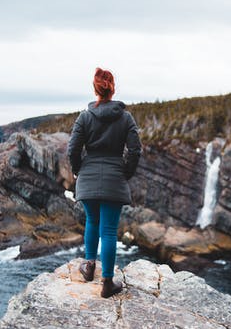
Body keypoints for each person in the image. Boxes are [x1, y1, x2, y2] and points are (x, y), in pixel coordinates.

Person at [67, 67, 142, 298]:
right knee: (109, 230)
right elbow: (135, 150)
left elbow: (73, 150)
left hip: (88, 178)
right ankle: (107, 284)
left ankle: (89, 268)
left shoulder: (85, 116)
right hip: (114, 178)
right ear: (112, 88)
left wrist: (79, 172)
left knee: (92, 220)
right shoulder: (126, 117)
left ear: (95, 88)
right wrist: (125, 173)